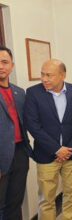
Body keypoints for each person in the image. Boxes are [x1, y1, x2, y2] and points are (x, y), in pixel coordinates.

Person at [24, 59, 72, 220]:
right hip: (46, 154)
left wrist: (69, 148)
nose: (44, 79)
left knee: (71, 194)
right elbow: (33, 125)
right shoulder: (33, 93)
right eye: (42, 74)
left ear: (62, 75)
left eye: (49, 75)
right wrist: (57, 149)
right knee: (47, 198)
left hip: (71, 153)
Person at [0, 46, 33, 220]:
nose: (1, 66)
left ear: (12, 65)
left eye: (4, 62)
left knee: (15, 201)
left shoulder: (19, 92)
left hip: (20, 152)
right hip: (1, 155)